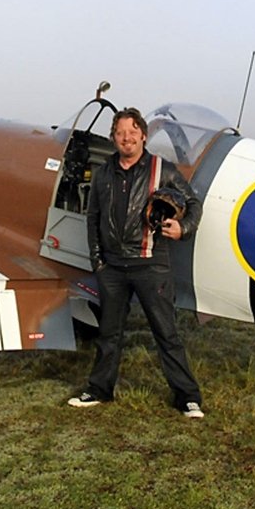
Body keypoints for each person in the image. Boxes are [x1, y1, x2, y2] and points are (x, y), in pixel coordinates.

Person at [68, 107, 205, 418]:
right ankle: (99, 389)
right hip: (112, 268)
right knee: (108, 333)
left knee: (166, 332)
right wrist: (98, 261)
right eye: (120, 133)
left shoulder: (162, 169)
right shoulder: (104, 173)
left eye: (132, 132)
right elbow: (93, 219)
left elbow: (193, 203)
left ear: (143, 135)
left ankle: (187, 397)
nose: (126, 138)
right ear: (114, 138)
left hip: (151, 264)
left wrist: (182, 229)